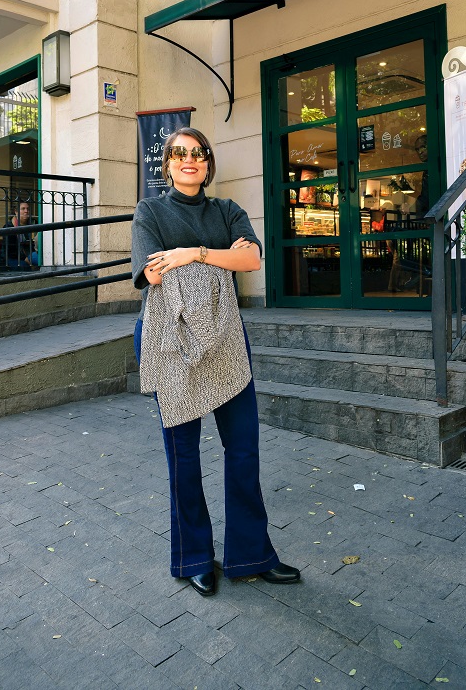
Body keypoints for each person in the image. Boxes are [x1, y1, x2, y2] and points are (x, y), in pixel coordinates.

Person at [131, 128, 300, 597]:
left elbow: (251, 260)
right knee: (183, 455)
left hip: (226, 338)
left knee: (243, 448)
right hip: (171, 340)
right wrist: (219, 257)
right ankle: (194, 558)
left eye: (198, 154)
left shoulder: (227, 210)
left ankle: (252, 554)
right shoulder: (150, 211)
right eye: (179, 154)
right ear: (167, 164)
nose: (189, 160)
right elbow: (150, 269)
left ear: (208, 163)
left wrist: (191, 253)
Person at [2, 201, 38, 270]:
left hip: (31, 253)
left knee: (42, 260)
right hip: (14, 256)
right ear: (16, 212)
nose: (26, 211)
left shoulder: (34, 223)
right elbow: (10, 250)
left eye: (28, 209)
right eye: (23, 209)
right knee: (24, 266)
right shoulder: (10, 226)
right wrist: (25, 259)